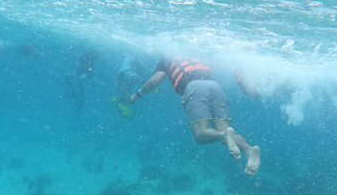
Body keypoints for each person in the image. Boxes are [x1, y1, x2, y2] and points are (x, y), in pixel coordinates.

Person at [130, 56, 261, 175]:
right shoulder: (195, 54)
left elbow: (155, 80)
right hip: (216, 86)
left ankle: (223, 135)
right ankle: (249, 150)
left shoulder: (166, 58)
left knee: (200, 134)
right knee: (226, 130)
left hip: (195, 87)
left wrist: (138, 94)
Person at [111, 55, 148, 119]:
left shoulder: (134, 63)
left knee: (127, 97)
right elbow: (129, 76)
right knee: (126, 96)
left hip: (124, 80)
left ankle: (121, 102)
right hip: (123, 77)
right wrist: (144, 82)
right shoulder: (131, 61)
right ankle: (120, 102)